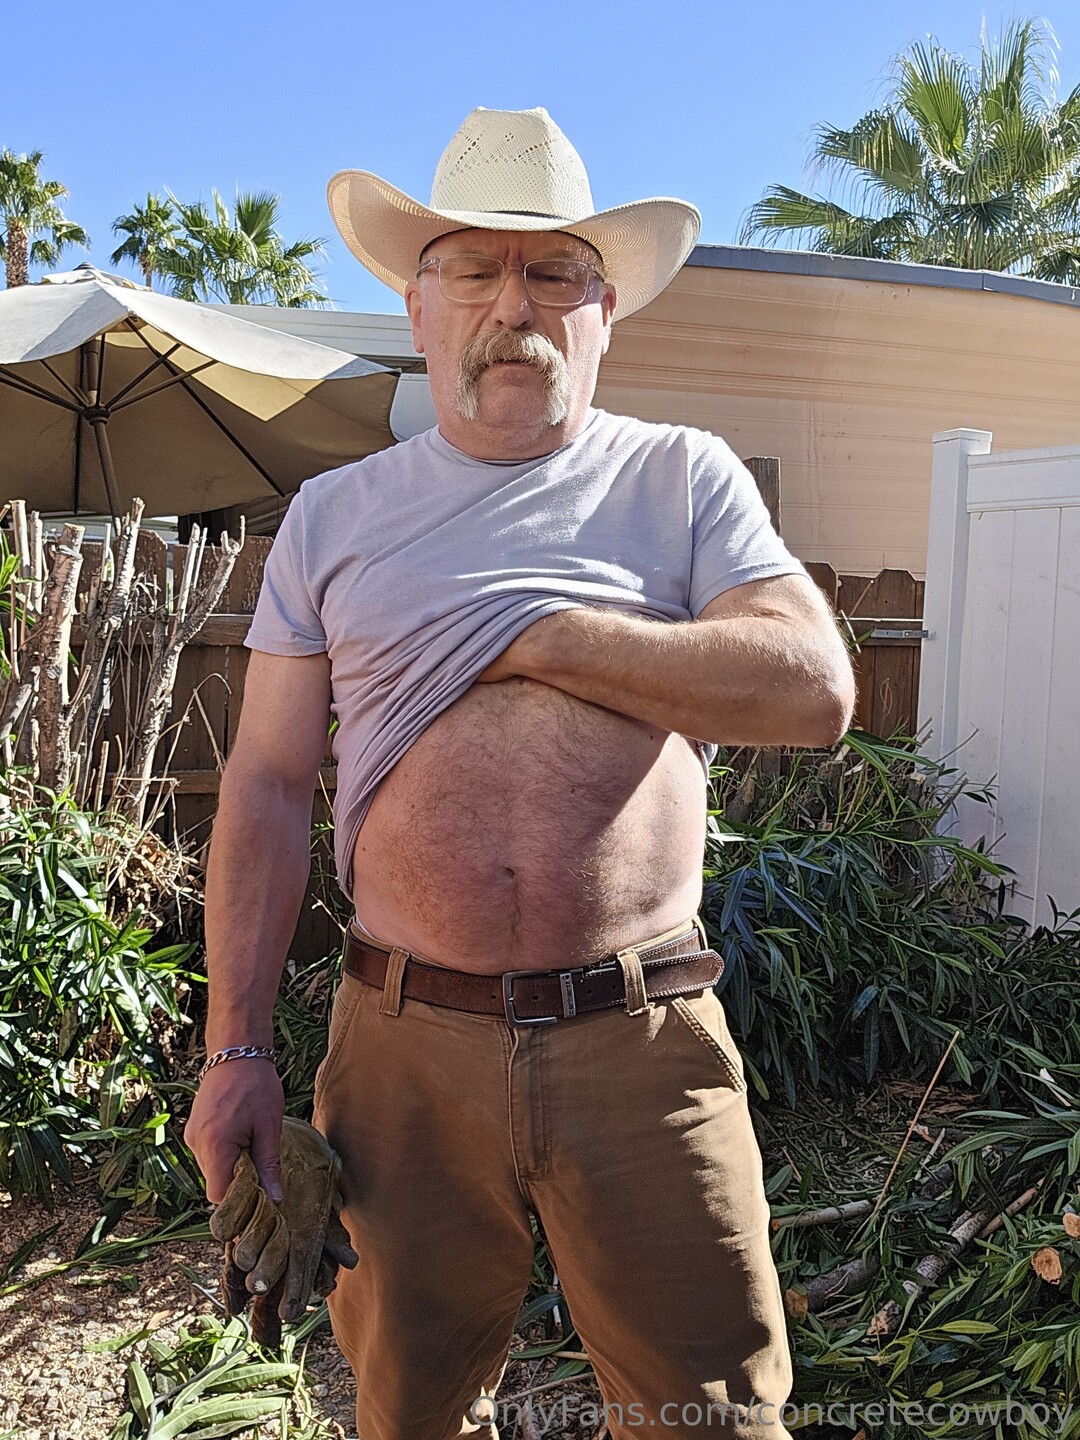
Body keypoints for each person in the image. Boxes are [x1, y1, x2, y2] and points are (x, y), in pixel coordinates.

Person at [185, 107, 855, 1440]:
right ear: (418, 306)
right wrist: (236, 1048)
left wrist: (538, 634)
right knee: (410, 1412)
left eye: (553, 272)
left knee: (710, 1417)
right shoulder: (333, 516)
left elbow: (813, 689)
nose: (514, 305)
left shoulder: (680, 479)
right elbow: (263, 785)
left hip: (642, 1046)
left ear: (604, 312)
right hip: (401, 1054)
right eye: (473, 270)